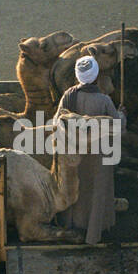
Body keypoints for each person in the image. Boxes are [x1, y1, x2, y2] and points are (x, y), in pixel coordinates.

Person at [53, 55, 125, 245]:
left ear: (78, 76)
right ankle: (94, 234)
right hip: (99, 155)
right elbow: (118, 127)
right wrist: (122, 114)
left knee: (76, 188)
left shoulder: (68, 95)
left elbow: (56, 122)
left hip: (73, 154)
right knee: (98, 190)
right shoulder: (104, 100)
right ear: (95, 76)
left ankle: (71, 226)